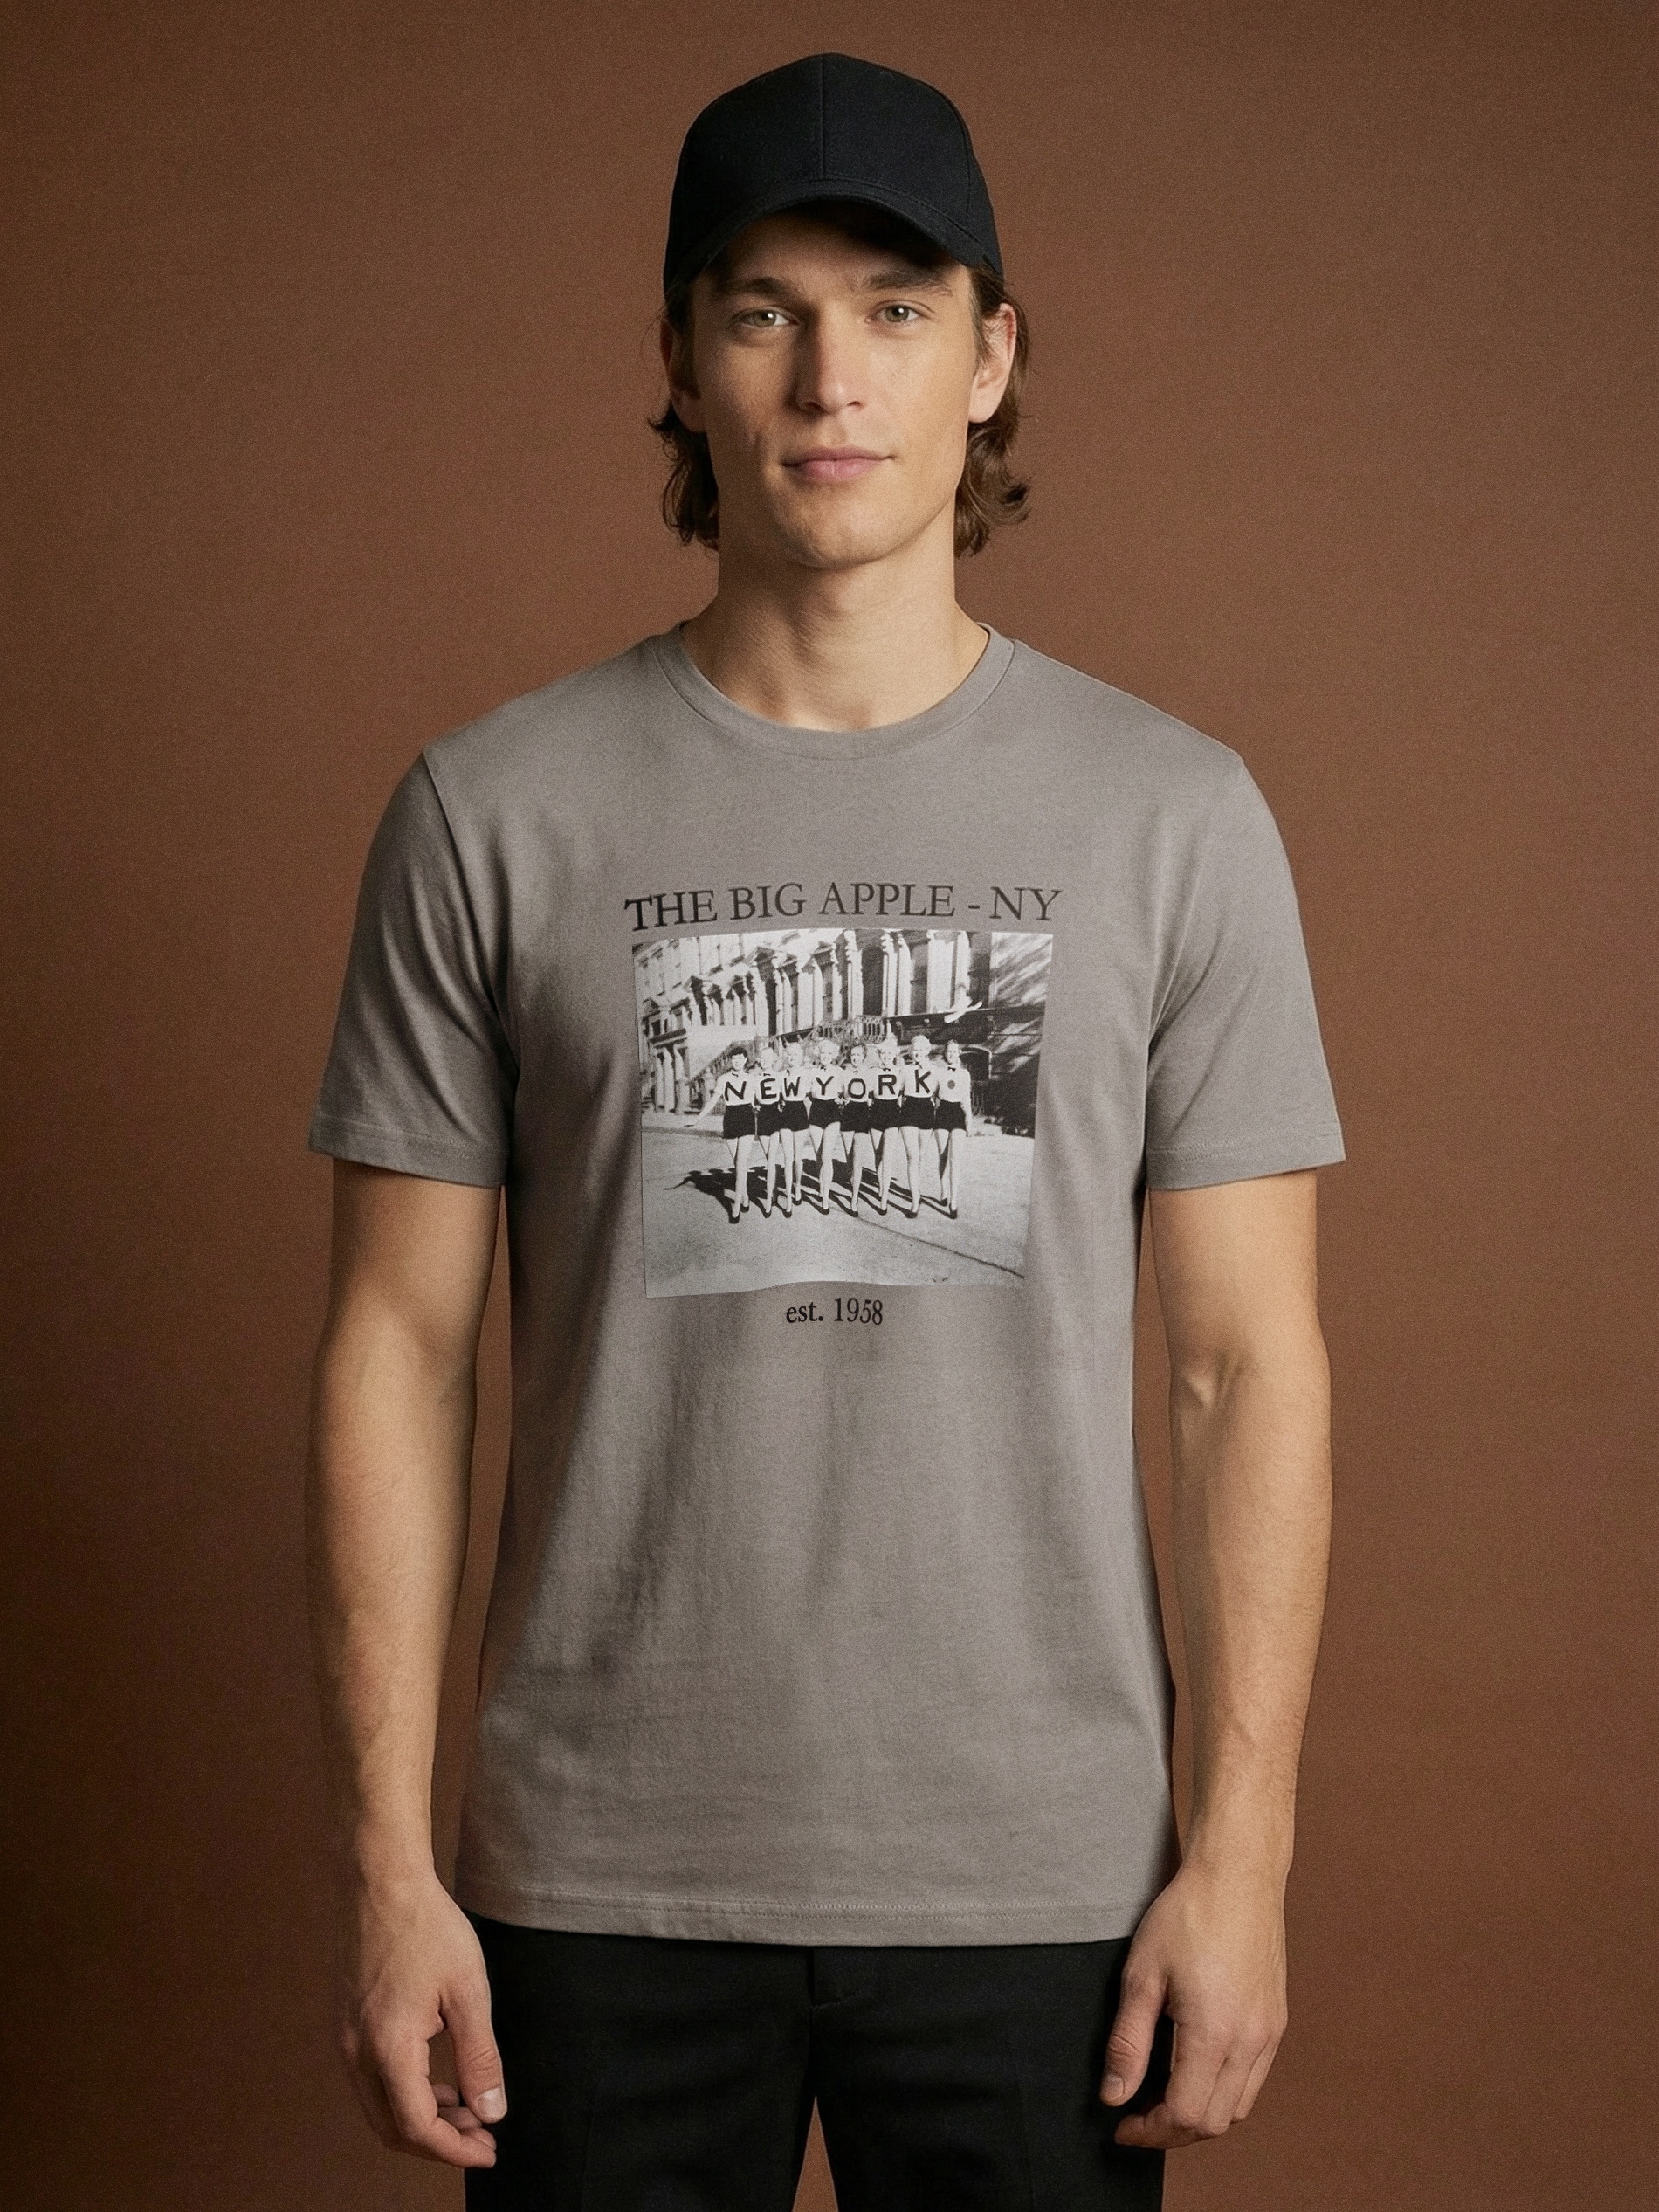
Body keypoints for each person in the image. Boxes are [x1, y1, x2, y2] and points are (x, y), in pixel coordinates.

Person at [306, 51, 1344, 2212]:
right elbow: (396, 1351)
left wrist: (1239, 1861)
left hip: (1038, 1882)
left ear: (991, 358)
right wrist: (394, 1870)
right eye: (761, 309)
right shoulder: (492, 811)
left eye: (892, 306)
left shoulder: (1169, 817)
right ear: (679, 361)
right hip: (591, 1879)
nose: (828, 377)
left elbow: (1244, 1367)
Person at [686, 1044, 760, 1222]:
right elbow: (712, 1101)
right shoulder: (723, 1079)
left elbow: (761, 1099)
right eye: (734, 1059)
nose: (737, 1061)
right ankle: (745, 1197)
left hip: (747, 1119)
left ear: (746, 1060)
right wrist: (697, 1119)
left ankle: (736, 1208)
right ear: (730, 1060)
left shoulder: (752, 1078)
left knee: (741, 1163)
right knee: (737, 1164)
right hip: (731, 1119)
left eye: (740, 1058)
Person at [897, 1028, 940, 1218]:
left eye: (921, 1050)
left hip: (926, 1110)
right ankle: (915, 1201)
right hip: (909, 1110)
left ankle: (917, 1189)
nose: (918, 1053)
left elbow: (939, 1094)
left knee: (921, 1156)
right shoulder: (905, 1070)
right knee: (912, 1156)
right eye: (915, 1050)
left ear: (927, 1051)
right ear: (910, 1051)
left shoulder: (935, 1070)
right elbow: (897, 1091)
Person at [933, 1035, 975, 1218]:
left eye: (954, 1051)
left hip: (957, 1113)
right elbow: (932, 1095)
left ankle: (953, 1201)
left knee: (955, 1159)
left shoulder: (964, 1074)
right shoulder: (938, 1072)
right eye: (948, 1051)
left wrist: (969, 1121)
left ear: (959, 1053)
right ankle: (944, 1190)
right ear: (945, 1054)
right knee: (943, 1156)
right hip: (942, 1113)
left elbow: (966, 1098)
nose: (951, 1054)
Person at [806, 1036, 844, 1213]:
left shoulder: (839, 1072)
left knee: (827, 1155)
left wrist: (842, 1099)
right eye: (823, 1053)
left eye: (829, 1054)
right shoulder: (812, 1072)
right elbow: (808, 1093)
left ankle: (825, 1197)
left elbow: (847, 1091)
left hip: (832, 1112)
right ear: (818, 1054)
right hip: (816, 1111)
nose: (826, 1057)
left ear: (834, 1055)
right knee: (819, 1155)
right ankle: (822, 1185)